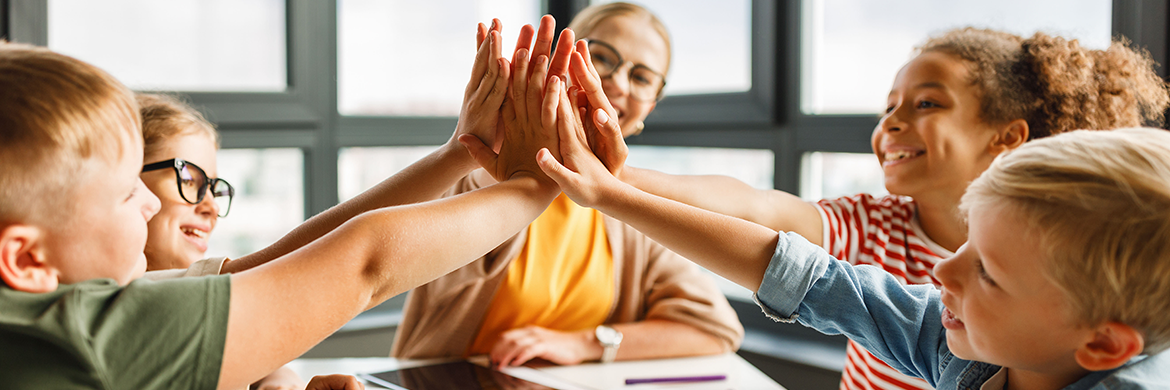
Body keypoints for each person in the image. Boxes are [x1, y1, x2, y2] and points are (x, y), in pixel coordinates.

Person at [571, 27, 1170, 390]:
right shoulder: (919, 296)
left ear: (1006, 137)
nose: (940, 275)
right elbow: (771, 231)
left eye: (927, 103)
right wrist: (611, 184)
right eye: (889, 106)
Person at [0, 25, 564, 390]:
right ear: (26, 258)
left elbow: (274, 263)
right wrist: (537, 181)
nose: (147, 204)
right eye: (127, 191)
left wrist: (456, 156)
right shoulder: (81, 332)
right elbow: (362, 264)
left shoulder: (40, 313)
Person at [391, 6, 743, 368]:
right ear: (562, 59)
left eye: (641, 78)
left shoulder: (631, 213)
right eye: (602, 58)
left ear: (649, 109)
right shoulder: (483, 174)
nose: (619, 84)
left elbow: (717, 328)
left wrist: (586, 344)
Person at [135, 93, 308, 390]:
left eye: (214, 188)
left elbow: (267, 360)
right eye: (189, 179)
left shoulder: (200, 300)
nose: (212, 207)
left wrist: (277, 382)